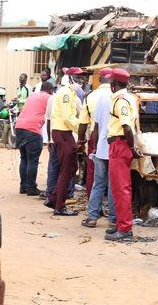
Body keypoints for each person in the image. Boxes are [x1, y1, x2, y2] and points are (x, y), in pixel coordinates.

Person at [43, 67, 87, 216]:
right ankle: (59, 206)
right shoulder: (66, 93)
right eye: (78, 77)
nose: (81, 80)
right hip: (63, 133)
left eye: (82, 78)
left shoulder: (70, 92)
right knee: (66, 169)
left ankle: (54, 198)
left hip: (63, 133)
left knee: (72, 167)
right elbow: (68, 118)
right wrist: (81, 133)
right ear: (69, 77)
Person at [105, 68, 143, 240]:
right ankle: (122, 224)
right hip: (121, 144)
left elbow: (127, 128)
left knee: (121, 188)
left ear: (114, 84)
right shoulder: (128, 98)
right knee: (120, 187)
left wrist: (133, 147)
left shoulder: (120, 101)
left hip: (119, 144)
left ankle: (125, 228)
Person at [81, 70, 116, 231]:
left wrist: (94, 146)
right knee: (114, 184)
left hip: (101, 148)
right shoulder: (125, 99)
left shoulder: (100, 99)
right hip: (116, 148)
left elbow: (95, 127)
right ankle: (113, 220)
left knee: (98, 183)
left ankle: (92, 217)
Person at [77, 68, 112, 200]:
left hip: (96, 137)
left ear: (99, 79)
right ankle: (115, 211)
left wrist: (81, 141)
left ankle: (94, 206)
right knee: (115, 175)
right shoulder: (120, 95)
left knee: (93, 172)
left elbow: (83, 122)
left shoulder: (90, 96)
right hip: (117, 138)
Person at [15, 82, 54, 195]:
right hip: (32, 130)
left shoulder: (31, 95)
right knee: (33, 160)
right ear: (51, 91)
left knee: (24, 159)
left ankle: (23, 186)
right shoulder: (50, 98)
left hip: (19, 127)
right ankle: (31, 188)